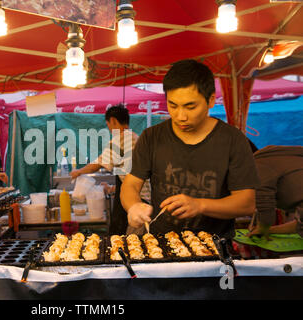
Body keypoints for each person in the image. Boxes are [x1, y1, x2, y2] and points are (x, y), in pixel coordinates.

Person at [121, 59, 259, 238]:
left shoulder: (233, 140)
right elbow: (130, 184)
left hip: (215, 248)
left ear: (210, 100)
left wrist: (200, 205)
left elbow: (247, 202)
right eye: (173, 105)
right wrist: (133, 205)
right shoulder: (152, 137)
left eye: (190, 106)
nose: (181, 116)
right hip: (161, 244)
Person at [70, 104, 151, 234]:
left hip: (136, 201)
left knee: (131, 241)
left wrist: (78, 172)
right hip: (143, 199)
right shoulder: (135, 137)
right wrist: (113, 188)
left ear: (113, 121)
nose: (108, 127)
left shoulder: (120, 140)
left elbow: (98, 164)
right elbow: (129, 172)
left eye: (108, 123)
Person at [247, 145, 303, 238]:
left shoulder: (259, 164)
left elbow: (264, 200)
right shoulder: (292, 159)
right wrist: (268, 230)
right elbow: (300, 225)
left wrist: (264, 225)